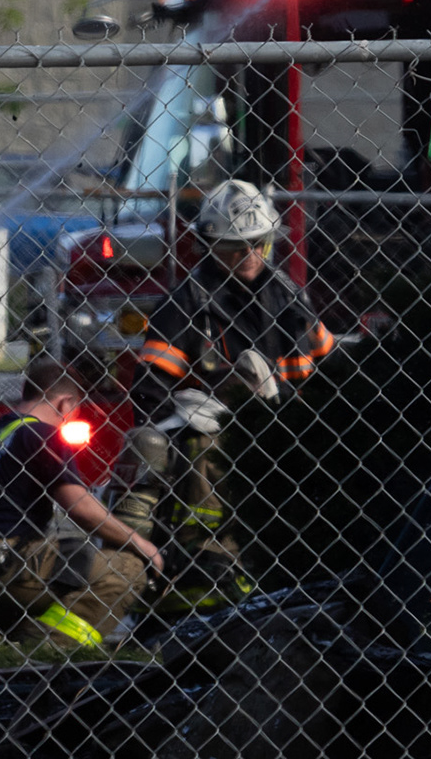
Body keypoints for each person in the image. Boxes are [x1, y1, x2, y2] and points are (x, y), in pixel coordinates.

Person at [109, 180, 335, 621]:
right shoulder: (188, 302)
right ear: (210, 245)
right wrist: (190, 419)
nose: (247, 255)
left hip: (286, 426)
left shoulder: (289, 296)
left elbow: (326, 372)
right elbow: (150, 389)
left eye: (256, 244)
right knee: (172, 449)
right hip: (214, 437)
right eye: (233, 247)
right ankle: (203, 572)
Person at [0, 359, 163, 649]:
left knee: (61, 557)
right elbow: (80, 509)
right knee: (127, 569)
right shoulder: (43, 435)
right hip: (3, 568)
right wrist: (141, 544)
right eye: (73, 414)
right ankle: (49, 645)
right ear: (66, 403)